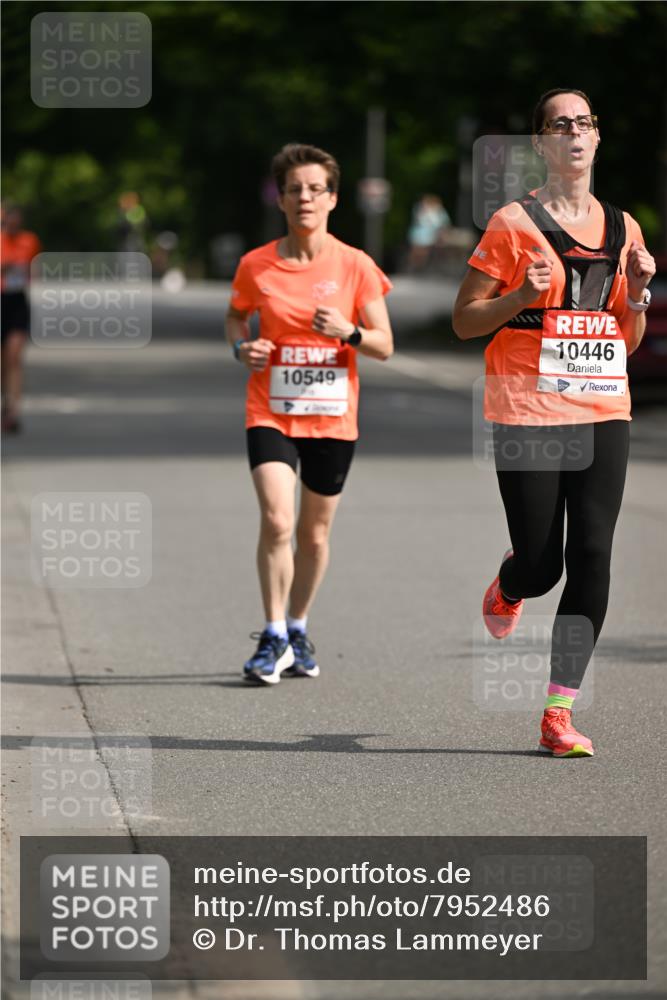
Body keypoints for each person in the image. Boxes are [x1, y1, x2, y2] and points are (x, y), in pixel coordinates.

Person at [453, 89, 655, 756]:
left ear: (596, 139)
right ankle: (512, 581)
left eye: (584, 122)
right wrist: (518, 294)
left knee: (592, 552)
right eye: (558, 124)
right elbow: (463, 320)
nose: (573, 133)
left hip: (601, 407)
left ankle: (557, 714)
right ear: (540, 143)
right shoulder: (513, 223)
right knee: (542, 568)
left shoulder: (624, 228)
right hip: (527, 407)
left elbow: (622, 339)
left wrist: (641, 294)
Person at [226, 143, 393, 684]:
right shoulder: (257, 264)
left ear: (333, 198)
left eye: (315, 189)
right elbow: (235, 318)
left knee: (314, 536)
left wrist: (350, 332)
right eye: (294, 189)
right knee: (277, 519)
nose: (304, 198)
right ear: (281, 198)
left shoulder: (355, 266)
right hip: (270, 410)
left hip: (332, 416)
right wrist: (241, 347)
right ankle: (272, 634)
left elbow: (385, 344)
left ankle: (297, 625)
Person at [1, 204, 42, 433]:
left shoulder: (30, 240)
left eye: (17, 224)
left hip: (17, 301)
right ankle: (6, 401)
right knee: (2, 363)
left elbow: (35, 267)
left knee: (14, 357)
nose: (13, 228)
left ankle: (13, 411)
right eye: (9, 224)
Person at [407, 194, 451, 273]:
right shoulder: (419, 209)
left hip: (433, 235)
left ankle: (422, 267)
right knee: (418, 250)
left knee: (427, 251)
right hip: (420, 234)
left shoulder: (439, 211)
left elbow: (443, 224)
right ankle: (416, 266)